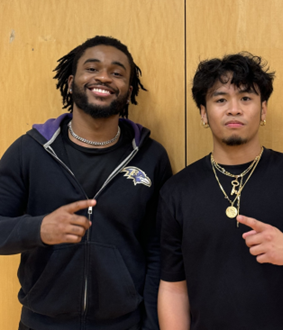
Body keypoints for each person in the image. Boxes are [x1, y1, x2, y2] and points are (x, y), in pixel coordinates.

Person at [158, 52, 283, 330]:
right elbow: (174, 288)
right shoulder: (177, 191)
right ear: (203, 112)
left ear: (263, 109)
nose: (234, 109)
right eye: (220, 99)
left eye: (246, 98)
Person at [0, 35, 172, 330]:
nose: (104, 77)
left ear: (129, 92)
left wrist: (151, 324)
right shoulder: (30, 151)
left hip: (124, 324)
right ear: (70, 82)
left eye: (117, 72)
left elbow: (158, 250)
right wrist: (39, 229)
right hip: (41, 323)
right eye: (92, 69)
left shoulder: (150, 157)